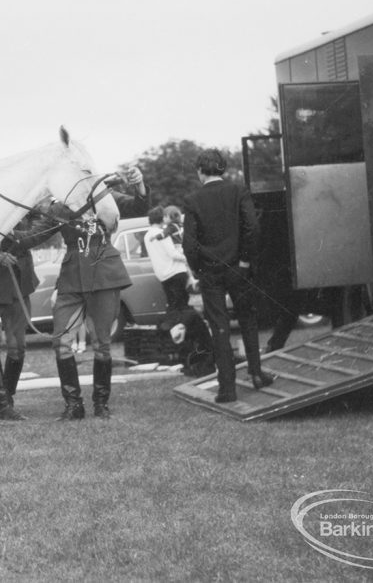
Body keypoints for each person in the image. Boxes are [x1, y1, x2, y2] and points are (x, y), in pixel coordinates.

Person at [50, 166, 149, 420]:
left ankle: (101, 404)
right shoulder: (58, 204)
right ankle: (73, 405)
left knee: (102, 344)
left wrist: (139, 184)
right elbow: (32, 233)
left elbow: (139, 208)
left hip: (104, 274)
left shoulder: (104, 196)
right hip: (71, 278)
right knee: (61, 341)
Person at [182, 149, 274, 403]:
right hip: (239, 268)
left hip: (210, 273)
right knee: (248, 320)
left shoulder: (192, 200)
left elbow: (189, 244)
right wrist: (245, 259)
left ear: (200, 171)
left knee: (219, 327)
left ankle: (227, 388)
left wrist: (198, 270)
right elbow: (252, 227)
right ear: (222, 169)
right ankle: (256, 373)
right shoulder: (238, 191)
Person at [0, 214, 49, 420]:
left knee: (18, 346)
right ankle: (2, 405)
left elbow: (35, 231)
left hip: (18, 285)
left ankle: (8, 397)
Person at [144, 205, 215, 376]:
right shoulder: (164, 233)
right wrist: (188, 256)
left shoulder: (147, 236)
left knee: (176, 312)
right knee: (184, 311)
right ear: (162, 218)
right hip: (176, 272)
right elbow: (173, 254)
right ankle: (196, 348)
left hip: (163, 276)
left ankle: (186, 350)